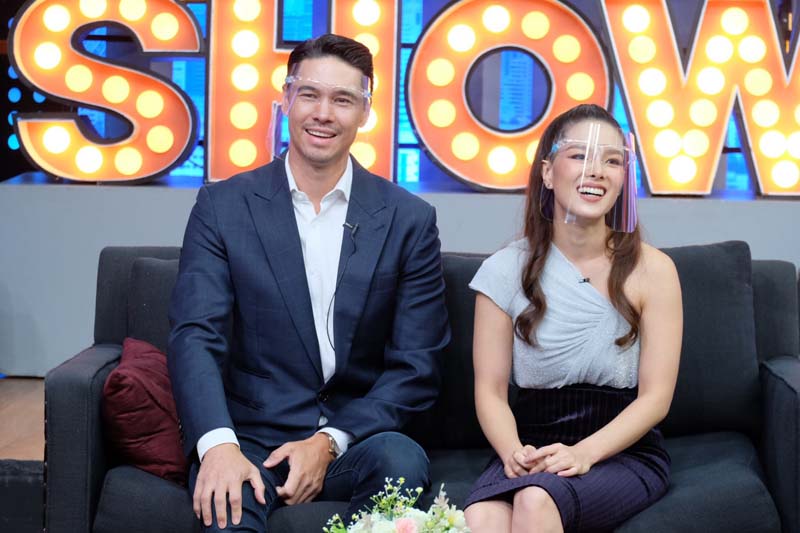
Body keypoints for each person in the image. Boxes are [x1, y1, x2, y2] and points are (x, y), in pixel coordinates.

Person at [168, 33, 450, 532]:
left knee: (401, 461)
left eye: (342, 99)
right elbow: (196, 336)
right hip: (250, 438)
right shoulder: (223, 206)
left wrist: (329, 441)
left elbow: (417, 365)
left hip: (355, 439)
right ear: (286, 98)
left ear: (365, 112)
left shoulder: (408, 219)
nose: (323, 113)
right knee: (226, 507)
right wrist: (217, 445)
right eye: (310, 94)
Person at [463, 104, 683, 532]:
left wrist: (583, 453)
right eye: (580, 155)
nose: (597, 171)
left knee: (534, 500)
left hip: (621, 450)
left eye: (612, 161)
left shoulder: (653, 270)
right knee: (482, 516)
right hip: (531, 444)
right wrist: (513, 453)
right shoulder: (503, 270)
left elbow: (656, 398)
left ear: (623, 179)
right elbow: (489, 390)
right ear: (547, 172)